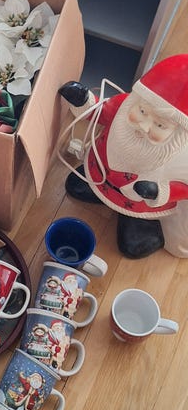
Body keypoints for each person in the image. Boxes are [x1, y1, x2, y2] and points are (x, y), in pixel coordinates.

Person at [59, 55, 188, 258]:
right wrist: (83, 101)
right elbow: (100, 112)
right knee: (76, 185)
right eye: (142, 111)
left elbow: (184, 186)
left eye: (160, 125)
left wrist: (158, 192)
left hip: (138, 203)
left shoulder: (182, 157)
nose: (144, 126)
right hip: (100, 173)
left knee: (132, 245)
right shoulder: (123, 107)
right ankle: (97, 190)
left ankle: (139, 224)